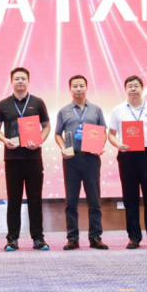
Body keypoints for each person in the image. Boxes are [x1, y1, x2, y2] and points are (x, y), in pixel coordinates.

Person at [0, 67, 51, 252]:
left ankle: (38, 238)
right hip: (12, 158)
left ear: (28, 81)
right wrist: (4, 140)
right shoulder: (3, 104)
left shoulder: (37, 102)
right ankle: (12, 239)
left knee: (35, 199)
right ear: (11, 82)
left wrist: (39, 141)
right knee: (14, 199)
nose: (20, 81)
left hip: (33, 158)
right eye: (16, 78)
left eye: (23, 78)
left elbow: (46, 126)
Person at [108, 75, 147, 249]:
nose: (133, 89)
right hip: (127, 156)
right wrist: (118, 145)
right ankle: (134, 237)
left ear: (142, 88)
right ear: (125, 89)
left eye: (136, 86)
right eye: (130, 86)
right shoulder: (118, 110)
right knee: (130, 197)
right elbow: (111, 134)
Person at [54, 75, 109, 251]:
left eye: (81, 86)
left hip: (91, 159)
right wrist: (63, 147)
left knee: (94, 200)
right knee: (71, 201)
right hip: (71, 160)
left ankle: (95, 237)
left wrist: (100, 146)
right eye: (75, 86)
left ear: (86, 87)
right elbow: (57, 134)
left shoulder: (96, 110)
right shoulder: (64, 111)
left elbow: (103, 132)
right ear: (70, 89)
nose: (78, 89)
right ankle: (72, 238)